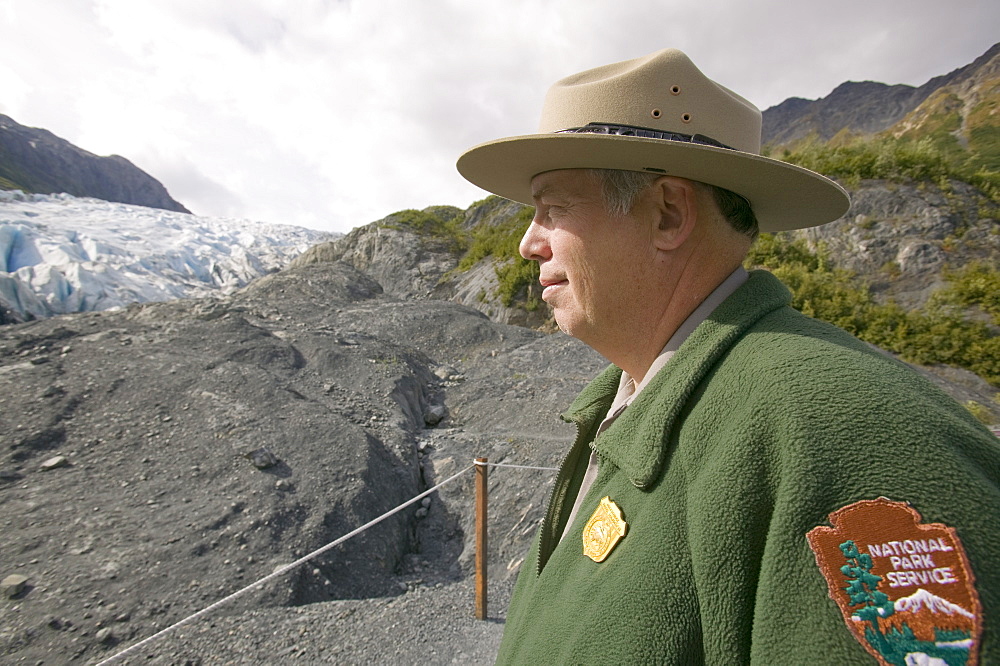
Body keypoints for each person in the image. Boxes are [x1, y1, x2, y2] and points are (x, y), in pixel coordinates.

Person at [457, 49, 999, 664]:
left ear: (668, 214)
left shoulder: (844, 431)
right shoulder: (636, 399)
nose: (529, 242)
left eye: (553, 209)